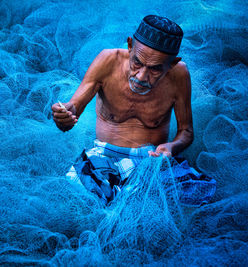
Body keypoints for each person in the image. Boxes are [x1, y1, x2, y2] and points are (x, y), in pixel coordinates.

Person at [51, 15, 216, 206]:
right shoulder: (108, 61)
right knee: (80, 191)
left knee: (196, 194)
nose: (142, 76)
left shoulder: (179, 74)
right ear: (130, 46)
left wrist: (171, 147)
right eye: (137, 62)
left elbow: (186, 132)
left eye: (155, 69)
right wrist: (64, 116)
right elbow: (73, 110)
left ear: (171, 64)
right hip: (103, 156)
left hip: (151, 161)